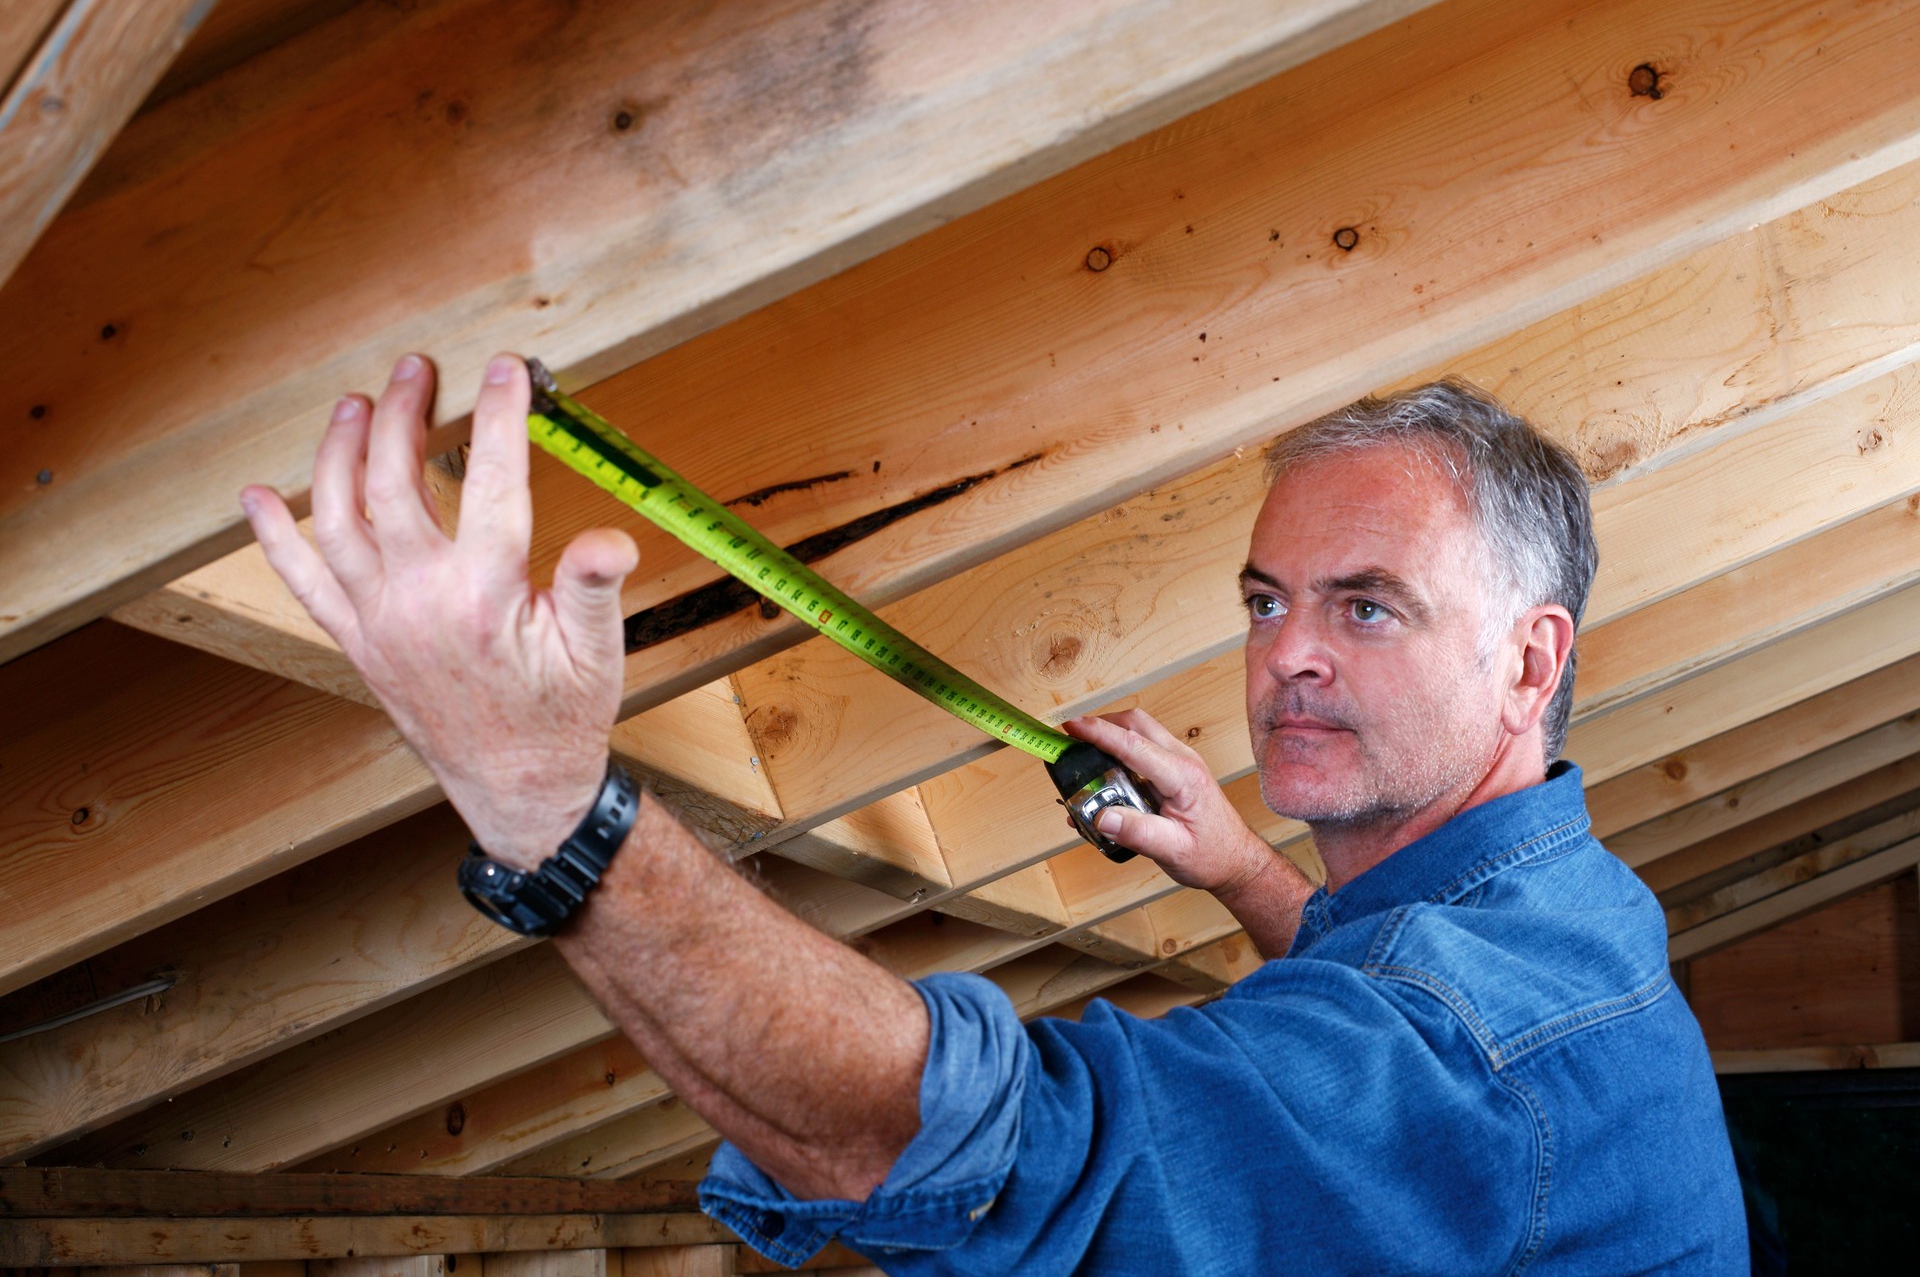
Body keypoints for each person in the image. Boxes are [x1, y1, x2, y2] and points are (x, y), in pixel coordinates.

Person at [242, 357, 1747, 1273]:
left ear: (1529, 658)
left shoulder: (1474, 1049)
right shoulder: (1557, 907)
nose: (1288, 652)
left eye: (1367, 607)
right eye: (1267, 600)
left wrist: (550, 810)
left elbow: (981, 1148)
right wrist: (1233, 866)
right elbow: (1387, 1011)